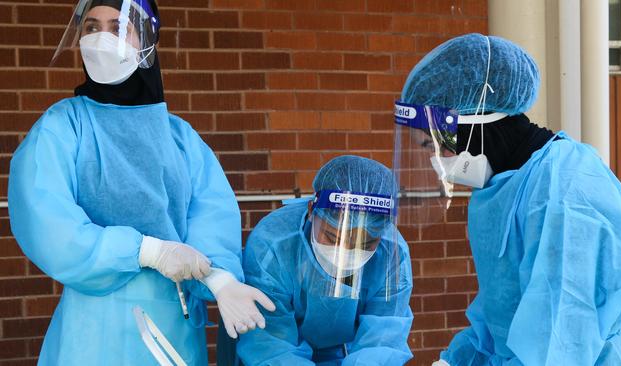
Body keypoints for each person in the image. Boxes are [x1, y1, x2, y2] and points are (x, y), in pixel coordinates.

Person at [8, 1, 273, 364]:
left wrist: (218, 279)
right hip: (93, 332)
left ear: (147, 38)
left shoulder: (181, 139)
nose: (101, 38)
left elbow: (212, 216)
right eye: (91, 27)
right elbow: (48, 222)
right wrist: (148, 251)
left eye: (118, 27)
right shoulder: (63, 127)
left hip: (173, 332)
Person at [395, 33, 621, 365]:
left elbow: (561, 343)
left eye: (434, 145)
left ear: (473, 126)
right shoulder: (499, 188)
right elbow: (500, 316)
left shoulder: (562, 193)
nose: (437, 160)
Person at [235, 155, 414, 365]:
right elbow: (270, 344)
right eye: (333, 237)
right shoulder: (273, 246)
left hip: (346, 351)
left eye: (365, 245)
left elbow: (382, 339)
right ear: (312, 210)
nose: (346, 254)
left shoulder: (391, 254)